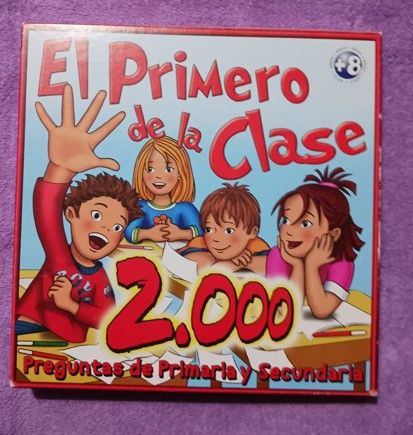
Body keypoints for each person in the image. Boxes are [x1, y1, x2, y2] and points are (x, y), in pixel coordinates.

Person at [16, 84, 142, 342]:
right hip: (25, 331)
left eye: (117, 227)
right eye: (97, 215)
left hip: (65, 348)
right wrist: (61, 168)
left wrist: (72, 306)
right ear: (71, 214)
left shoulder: (100, 279)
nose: (106, 228)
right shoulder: (58, 254)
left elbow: (107, 317)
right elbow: (46, 211)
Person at [267, 167, 364, 319]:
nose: (288, 231)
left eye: (305, 223)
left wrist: (311, 266)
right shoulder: (279, 255)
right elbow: (284, 311)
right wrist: (297, 266)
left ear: (333, 234)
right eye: (286, 220)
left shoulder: (341, 262)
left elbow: (321, 310)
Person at [124, 136, 202, 243]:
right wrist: (148, 234)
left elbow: (201, 231)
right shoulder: (140, 207)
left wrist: (181, 234)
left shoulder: (186, 208)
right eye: (150, 169)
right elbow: (128, 231)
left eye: (168, 169)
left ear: (180, 174)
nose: (158, 176)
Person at [179, 183, 269, 274]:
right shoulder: (200, 244)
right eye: (209, 230)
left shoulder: (256, 246)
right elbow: (186, 264)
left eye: (229, 231)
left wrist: (239, 264)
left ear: (253, 232)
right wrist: (227, 262)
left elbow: (270, 266)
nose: (216, 238)